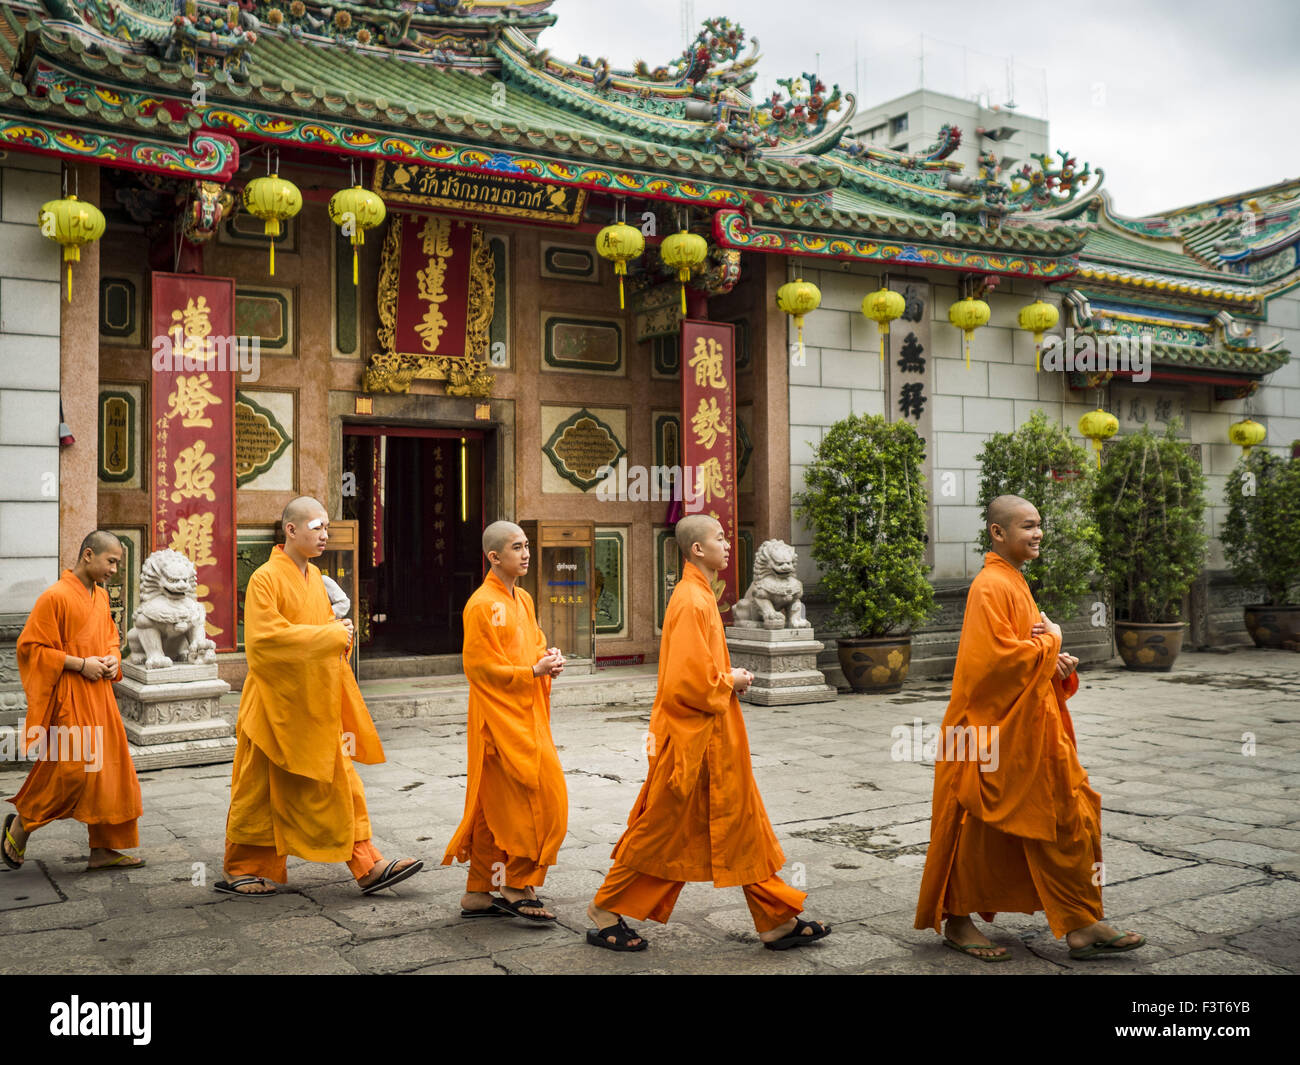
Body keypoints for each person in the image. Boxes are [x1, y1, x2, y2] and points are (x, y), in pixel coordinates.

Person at [913, 494, 1145, 961]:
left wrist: (1051, 661)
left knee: (1068, 813)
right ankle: (958, 919)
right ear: (998, 533)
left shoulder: (1014, 581)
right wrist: (1052, 639)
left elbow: (1020, 651)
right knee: (974, 824)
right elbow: (991, 665)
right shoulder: (989, 586)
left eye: (1039, 525)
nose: (1037, 533)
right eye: (1026, 526)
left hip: (1030, 726)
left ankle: (1081, 922)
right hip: (985, 731)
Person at [584, 515, 830, 952]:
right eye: (719, 538)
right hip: (695, 742)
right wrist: (728, 681)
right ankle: (604, 909)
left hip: (716, 737)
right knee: (662, 831)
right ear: (697, 549)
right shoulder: (691, 600)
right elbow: (686, 681)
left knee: (742, 827)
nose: (728, 544)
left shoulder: (701, 594)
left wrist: (725, 678)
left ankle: (775, 919)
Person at [216, 497, 421, 897]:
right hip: (274, 704)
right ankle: (242, 868)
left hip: (313, 703)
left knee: (340, 783)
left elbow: (319, 635)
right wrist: (330, 635)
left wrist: (338, 632)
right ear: (291, 530)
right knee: (257, 790)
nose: (325, 535)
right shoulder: (265, 579)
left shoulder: (316, 579)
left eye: (327, 527)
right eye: (317, 527)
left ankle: (367, 862)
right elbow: (264, 643)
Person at [444, 521, 568, 921]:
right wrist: (531, 672)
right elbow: (479, 668)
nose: (526, 553)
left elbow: (532, 645)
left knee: (491, 808)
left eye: (528, 545)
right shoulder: (480, 604)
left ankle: (480, 892)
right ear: (494, 556)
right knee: (536, 800)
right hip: (497, 718)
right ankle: (515, 884)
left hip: (526, 712)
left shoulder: (524, 599)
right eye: (517, 547)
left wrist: (549, 661)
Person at [3, 531, 144, 872]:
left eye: (117, 564)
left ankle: (104, 849)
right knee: (73, 770)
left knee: (110, 772)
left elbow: (111, 638)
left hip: (100, 696)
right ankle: (20, 826)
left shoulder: (99, 597)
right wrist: (81, 664)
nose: (114, 570)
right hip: (70, 694)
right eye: (111, 562)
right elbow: (31, 648)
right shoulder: (56, 596)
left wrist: (112, 659)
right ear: (88, 555)